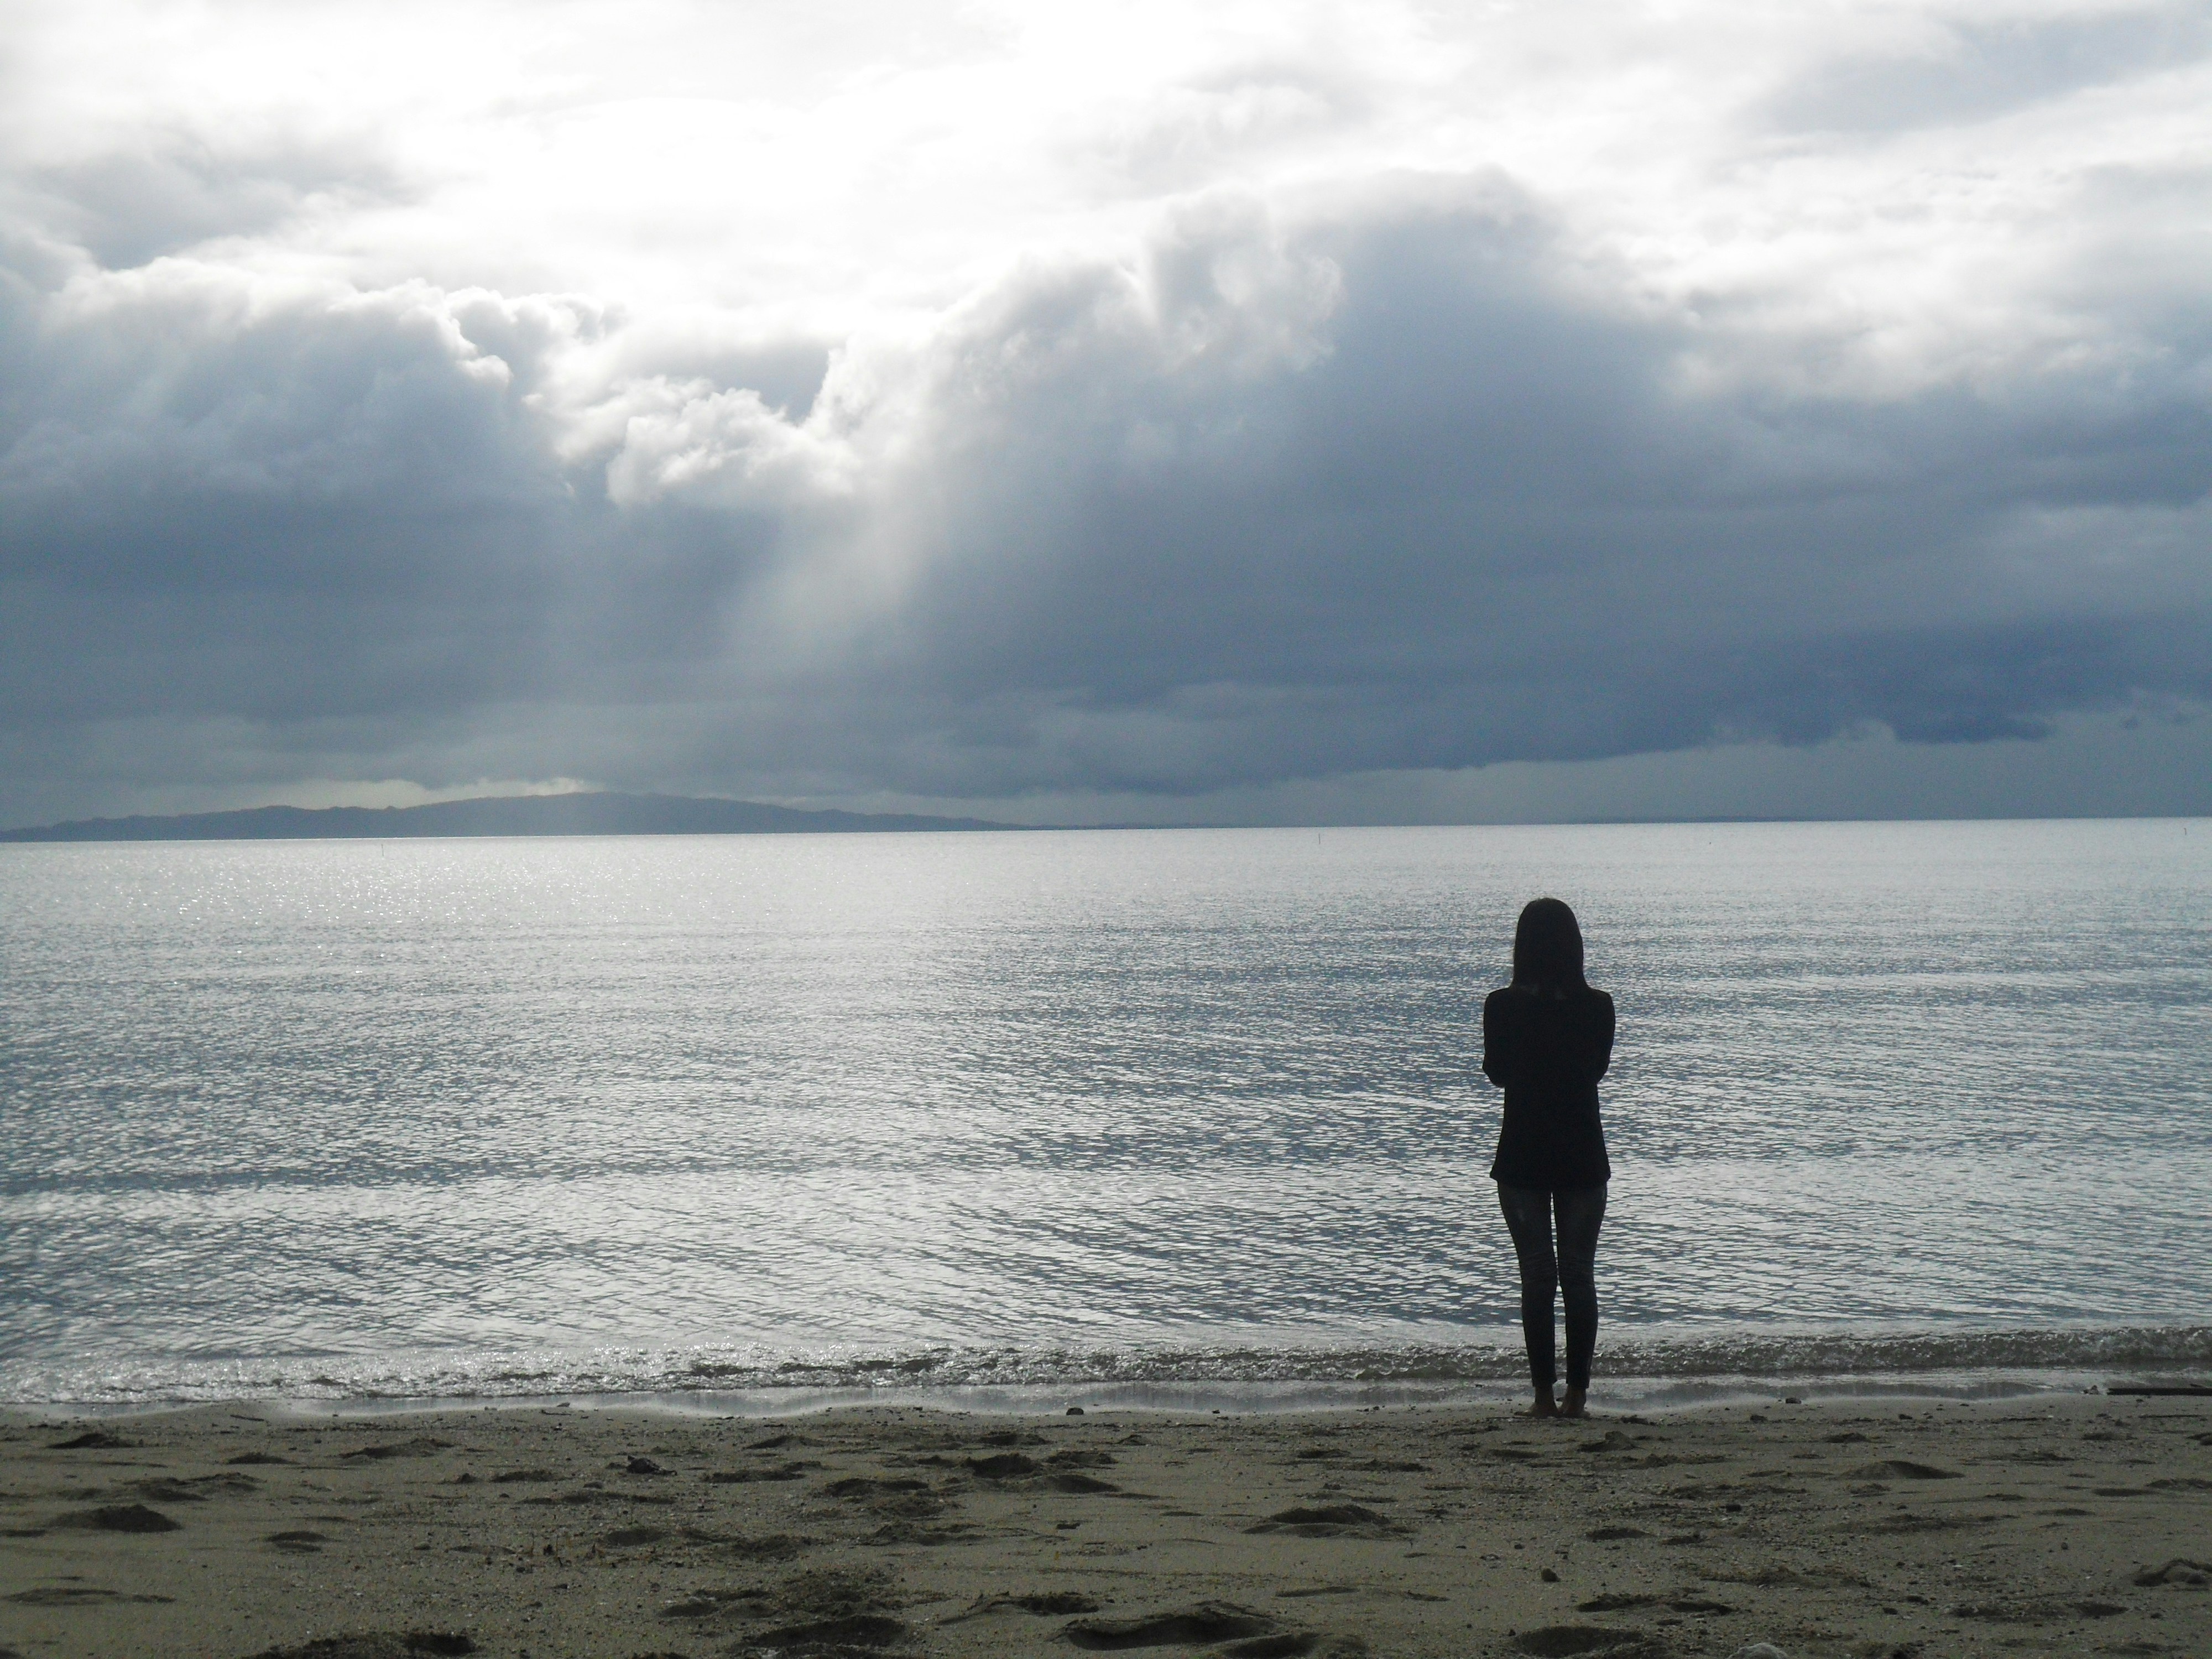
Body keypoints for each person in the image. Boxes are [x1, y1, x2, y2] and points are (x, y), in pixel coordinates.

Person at [1482, 897, 1614, 1418]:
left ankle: (1541, 1396)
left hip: (1522, 1152)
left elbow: (1497, 1073)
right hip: (1582, 1150)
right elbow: (1595, 1071)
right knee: (1579, 1274)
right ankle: (1577, 1396)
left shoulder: (1502, 1005)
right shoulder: (1598, 1005)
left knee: (1537, 1275)